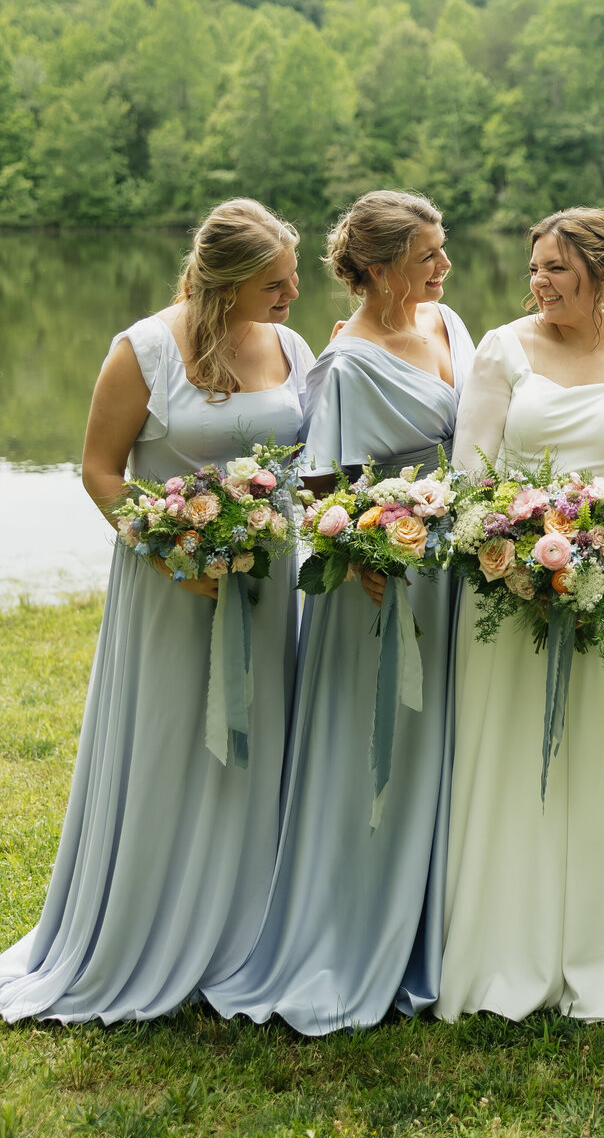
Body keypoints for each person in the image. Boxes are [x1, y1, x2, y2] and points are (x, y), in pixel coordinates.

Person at [0, 199, 313, 1024]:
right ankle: (147, 924)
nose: (289, 296)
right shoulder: (141, 348)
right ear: (228, 280)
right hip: (173, 583)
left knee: (260, 747)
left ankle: (248, 929)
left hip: (268, 581)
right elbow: (101, 470)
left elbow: (309, 463)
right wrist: (177, 553)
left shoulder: (291, 345)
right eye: (273, 284)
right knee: (175, 738)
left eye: (292, 280)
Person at [207, 190, 472, 1033]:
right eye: (428, 255)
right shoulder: (350, 362)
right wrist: (367, 553)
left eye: (442, 249)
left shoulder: (448, 324)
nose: (443, 266)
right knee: (377, 745)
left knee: (445, 745)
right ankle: (357, 929)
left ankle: (439, 921)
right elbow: (324, 481)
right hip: (380, 575)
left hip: (453, 557)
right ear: (384, 266)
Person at [436, 208, 604, 1022]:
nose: (538, 283)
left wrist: (598, 559)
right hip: (507, 594)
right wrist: (516, 549)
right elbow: (470, 476)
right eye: (534, 268)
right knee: (513, 760)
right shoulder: (501, 350)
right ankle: (503, 947)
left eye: (556, 269)